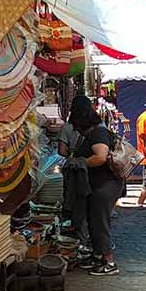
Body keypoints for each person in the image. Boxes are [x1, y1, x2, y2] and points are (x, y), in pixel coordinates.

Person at [69, 97, 123, 276]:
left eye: (77, 126)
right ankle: (97, 255)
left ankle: (109, 262)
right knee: (94, 222)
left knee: (99, 223)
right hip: (99, 186)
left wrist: (80, 162)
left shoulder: (98, 133)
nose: (76, 130)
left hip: (104, 186)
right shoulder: (95, 133)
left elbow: (100, 157)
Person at [58, 96, 90, 251]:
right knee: (88, 203)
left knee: (73, 200)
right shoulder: (97, 126)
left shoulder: (67, 127)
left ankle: (77, 237)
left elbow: (61, 151)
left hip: (72, 168)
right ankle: (87, 238)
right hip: (91, 170)